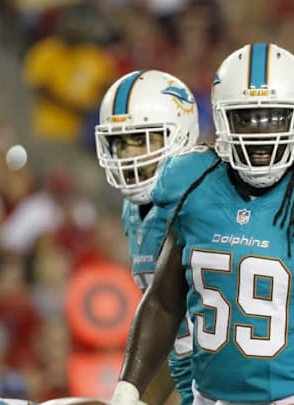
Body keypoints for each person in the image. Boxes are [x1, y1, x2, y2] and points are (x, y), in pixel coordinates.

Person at [109, 42, 294, 405]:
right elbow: (163, 304)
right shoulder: (192, 185)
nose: (261, 133)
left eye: (275, 116)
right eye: (245, 117)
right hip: (208, 397)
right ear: (220, 118)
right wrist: (128, 388)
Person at [94, 70, 201, 405]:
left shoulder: (202, 202)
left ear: (179, 134)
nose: (128, 155)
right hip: (189, 383)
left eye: (142, 139)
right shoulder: (134, 208)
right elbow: (172, 335)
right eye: (120, 142)